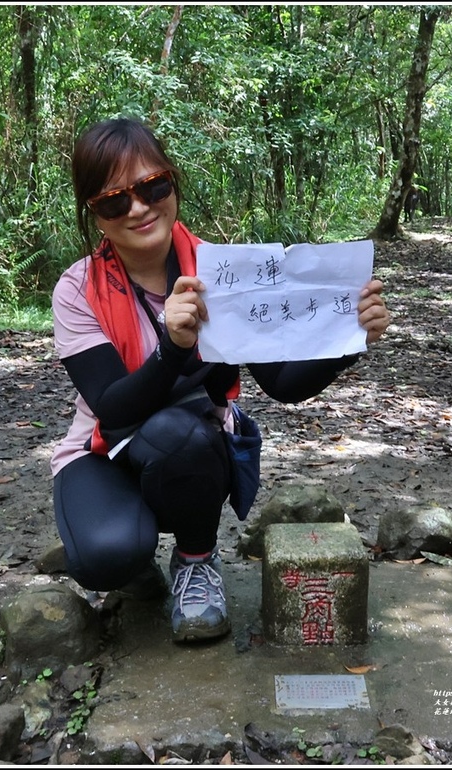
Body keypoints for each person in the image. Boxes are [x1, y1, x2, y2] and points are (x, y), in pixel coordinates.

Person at [51, 117, 391, 643]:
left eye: (151, 187)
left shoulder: (223, 274)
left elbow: (282, 383)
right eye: (115, 201)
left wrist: (351, 338)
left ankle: (194, 561)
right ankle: (134, 550)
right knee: (106, 557)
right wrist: (173, 348)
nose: (138, 208)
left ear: (173, 183)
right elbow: (112, 407)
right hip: (102, 448)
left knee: (177, 433)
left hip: (190, 446)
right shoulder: (78, 290)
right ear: (95, 215)